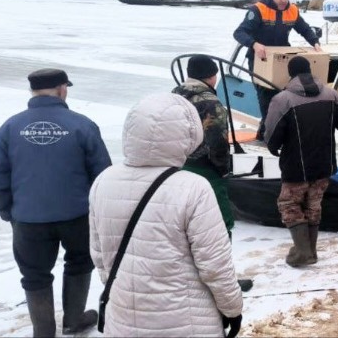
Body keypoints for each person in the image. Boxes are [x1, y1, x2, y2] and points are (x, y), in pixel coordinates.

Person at [89, 93, 244, 336]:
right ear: (186, 136)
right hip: (186, 322)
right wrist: (233, 310)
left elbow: (100, 255)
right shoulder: (194, 187)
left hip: (123, 321)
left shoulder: (103, 181)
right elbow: (215, 265)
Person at [0, 68, 112, 337]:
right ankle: (74, 320)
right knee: (79, 263)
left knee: (34, 275)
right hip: (76, 215)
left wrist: (8, 212)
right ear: (63, 89)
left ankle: (43, 330)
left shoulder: (10, 127)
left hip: (28, 218)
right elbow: (103, 175)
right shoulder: (82, 125)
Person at [263, 57, 338, 267]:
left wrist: (272, 147)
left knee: (289, 204)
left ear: (291, 74)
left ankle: (302, 253)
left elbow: (272, 136)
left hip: (296, 166)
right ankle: (311, 252)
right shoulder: (331, 94)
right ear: (310, 71)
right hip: (324, 164)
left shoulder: (282, 99)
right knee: (313, 205)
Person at [172, 55, 254, 292]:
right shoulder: (210, 102)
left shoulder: (172, 96)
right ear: (211, 75)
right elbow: (217, 142)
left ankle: (187, 275)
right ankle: (222, 278)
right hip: (204, 169)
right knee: (218, 223)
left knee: (183, 223)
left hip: (175, 167)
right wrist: (222, 170)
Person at [233, 0, 322, 140]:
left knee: (284, 95)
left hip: (282, 59)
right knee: (266, 96)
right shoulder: (258, 9)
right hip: (261, 59)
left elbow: (304, 29)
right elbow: (239, 33)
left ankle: (270, 131)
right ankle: (269, 135)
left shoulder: (292, 10)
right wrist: (254, 44)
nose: (283, 0)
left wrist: (315, 42)